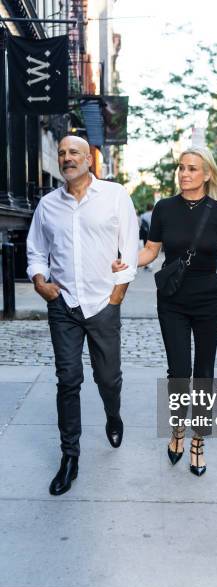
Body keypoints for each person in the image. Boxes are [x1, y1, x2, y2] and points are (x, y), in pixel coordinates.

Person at [113, 146, 217, 475]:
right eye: (181, 167)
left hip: (209, 299)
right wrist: (124, 261)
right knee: (179, 372)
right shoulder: (164, 209)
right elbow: (151, 252)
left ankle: (199, 440)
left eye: (192, 168)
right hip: (172, 301)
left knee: (204, 372)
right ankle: (177, 429)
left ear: (207, 174)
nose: (184, 173)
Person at [26, 135, 139, 496]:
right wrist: (39, 281)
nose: (66, 158)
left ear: (90, 159)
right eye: (61, 153)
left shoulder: (115, 196)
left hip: (103, 303)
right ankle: (69, 456)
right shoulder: (47, 205)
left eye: (73, 152)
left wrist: (118, 293)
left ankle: (113, 414)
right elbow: (35, 252)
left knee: (108, 377)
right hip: (63, 305)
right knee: (68, 380)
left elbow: (130, 246)